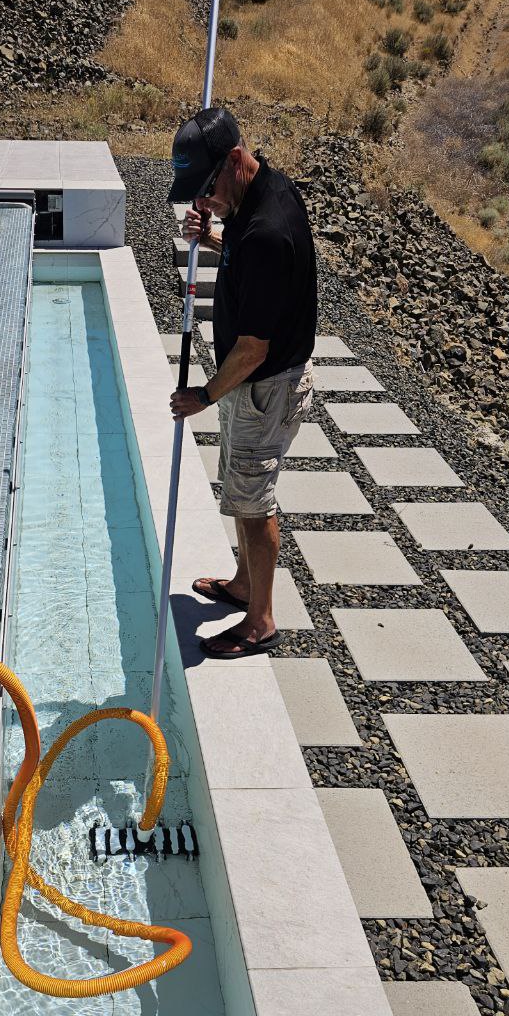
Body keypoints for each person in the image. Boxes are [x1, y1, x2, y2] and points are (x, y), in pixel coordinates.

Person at [167, 108, 317, 659]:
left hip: (262, 385)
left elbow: (253, 349)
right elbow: (240, 257)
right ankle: (243, 583)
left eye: (206, 189)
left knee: (254, 502)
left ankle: (260, 621)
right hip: (250, 382)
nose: (203, 200)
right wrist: (210, 237)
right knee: (241, 487)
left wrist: (206, 395)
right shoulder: (263, 192)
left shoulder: (267, 232)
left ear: (234, 160)